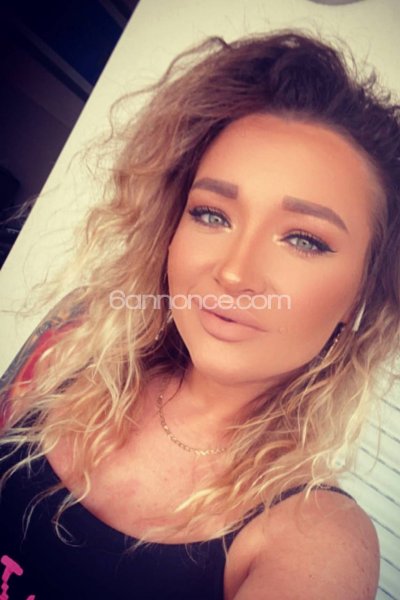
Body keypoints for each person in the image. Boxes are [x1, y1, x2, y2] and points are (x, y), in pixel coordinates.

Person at [1, 29, 399, 600]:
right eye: (212, 214)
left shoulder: (316, 540)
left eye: (305, 240)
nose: (234, 273)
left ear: (360, 298)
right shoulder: (72, 354)